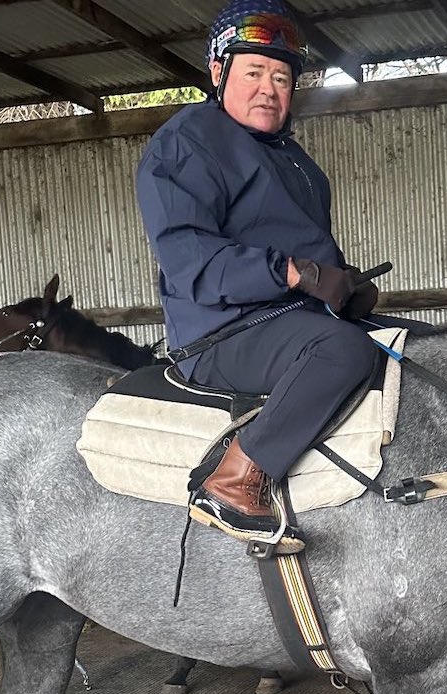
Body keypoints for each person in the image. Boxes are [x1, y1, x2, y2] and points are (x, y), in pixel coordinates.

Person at [136, 0, 381, 543]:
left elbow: (311, 259)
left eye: (281, 76)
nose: (269, 87)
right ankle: (237, 476)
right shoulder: (186, 143)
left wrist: (343, 286)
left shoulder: (298, 164)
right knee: (344, 352)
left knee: (410, 346)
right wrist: (297, 274)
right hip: (221, 332)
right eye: (254, 72)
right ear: (219, 72)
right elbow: (191, 261)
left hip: (291, 320)